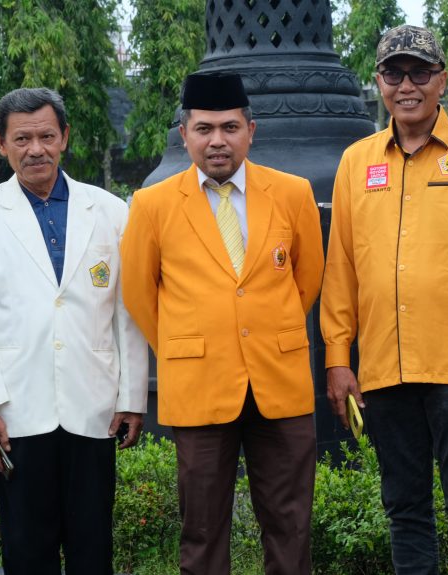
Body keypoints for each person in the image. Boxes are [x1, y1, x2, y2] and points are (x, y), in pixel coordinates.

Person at [320, 25, 448, 574]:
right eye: (394, 73)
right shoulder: (356, 163)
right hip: (384, 367)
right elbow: (341, 267)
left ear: (442, 80)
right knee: (404, 509)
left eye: (419, 73)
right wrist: (338, 358)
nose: (406, 86)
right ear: (378, 81)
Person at [120, 72, 323, 575]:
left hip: (280, 380)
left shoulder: (292, 193)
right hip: (199, 384)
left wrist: (266, 329)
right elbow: (140, 294)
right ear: (184, 134)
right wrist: (189, 344)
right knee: (203, 530)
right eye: (204, 129)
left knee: (291, 525)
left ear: (250, 131)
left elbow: (308, 280)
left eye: (230, 128)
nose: (217, 141)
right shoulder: (152, 204)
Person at [0, 87, 148, 575]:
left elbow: (127, 312)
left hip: (94, 405)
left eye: (45, 136)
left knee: (92, 546)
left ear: (64, 137)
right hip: (16, 409)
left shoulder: (110, 211)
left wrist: (132, 396)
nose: (35, 149)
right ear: (1, 143)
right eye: (21, 139)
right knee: (26, 548)